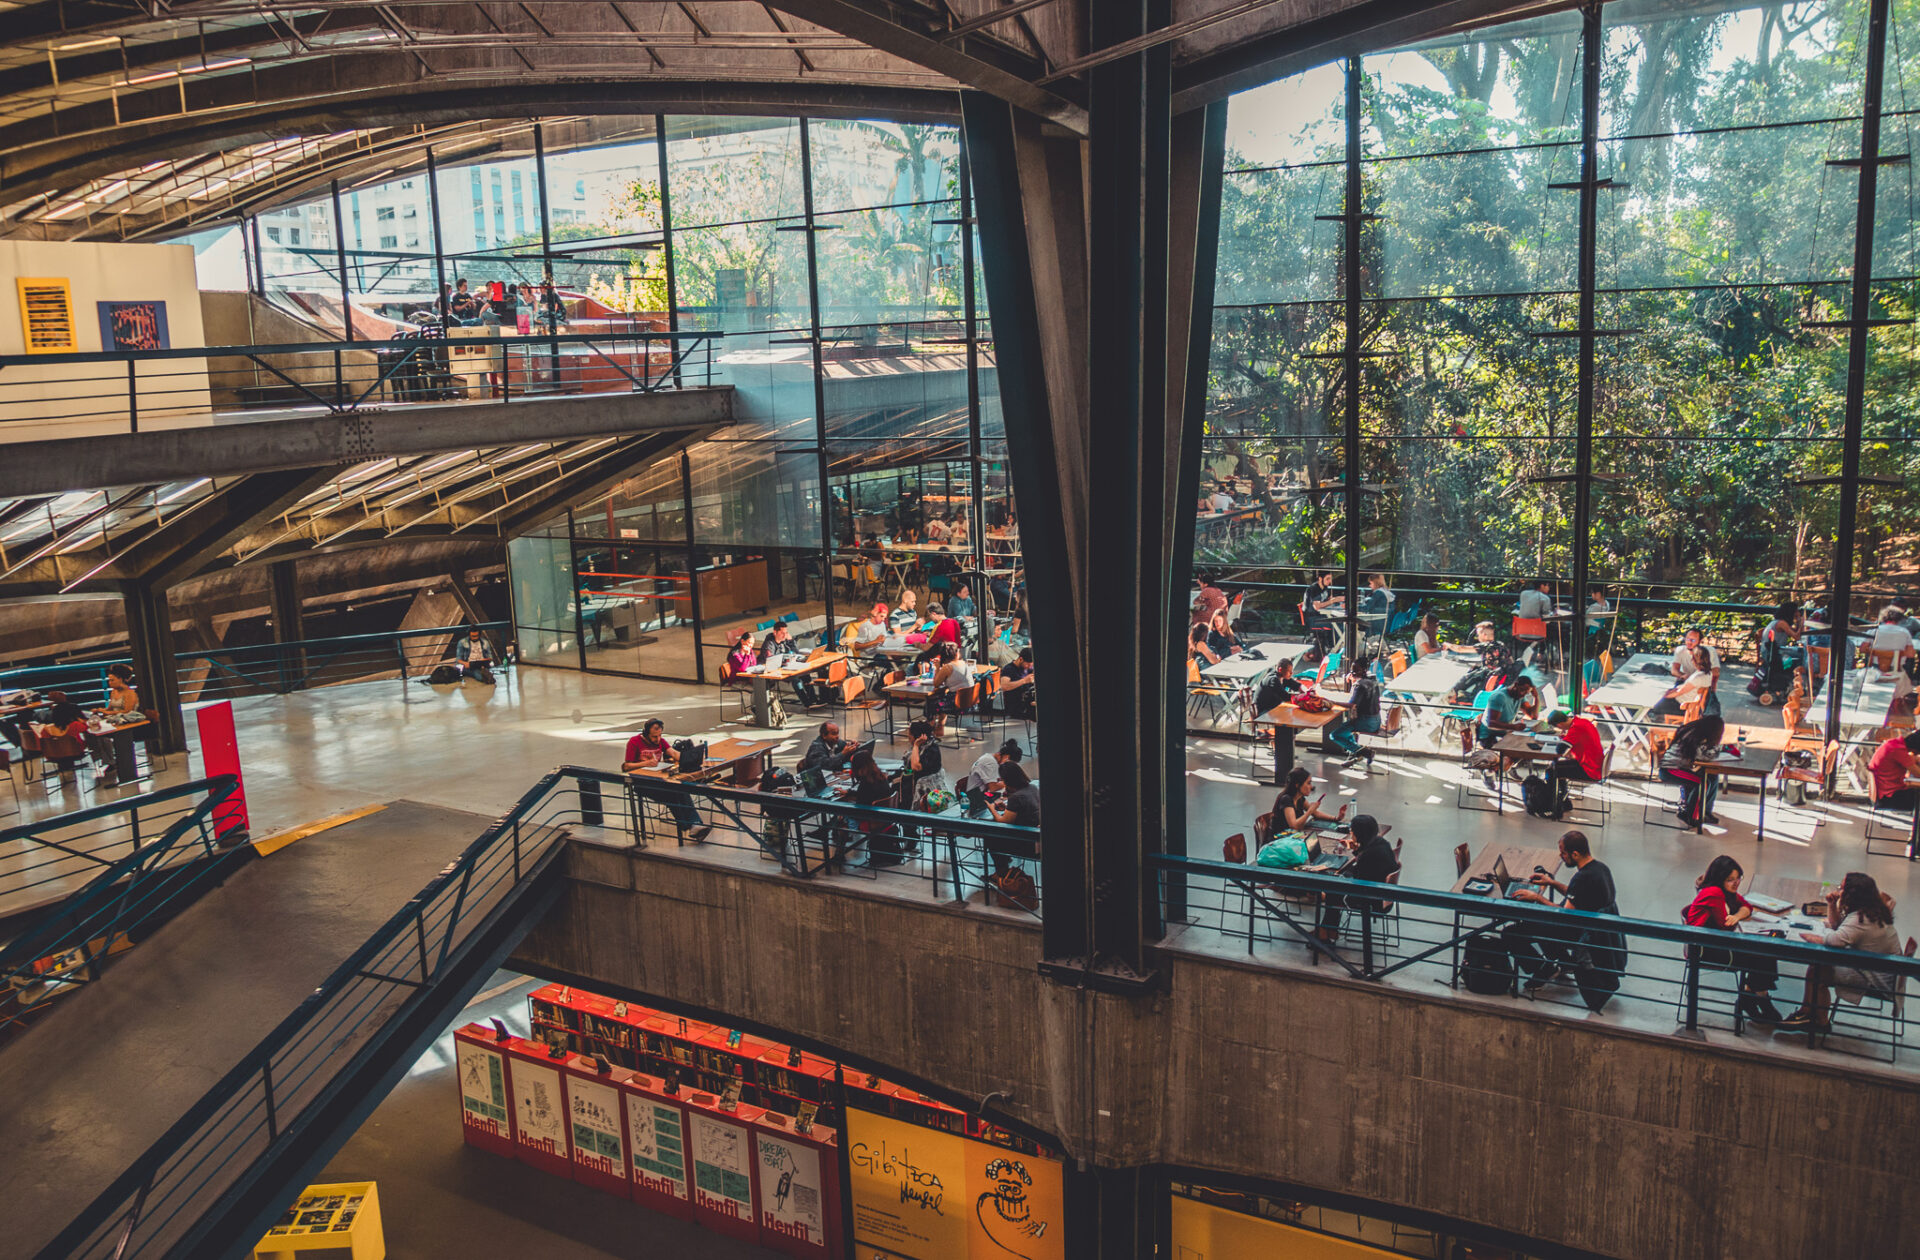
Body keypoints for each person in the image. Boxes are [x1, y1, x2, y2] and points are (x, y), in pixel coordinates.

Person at [1502, 829, 1623, 1005]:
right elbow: (1576, 894)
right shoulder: (1600, 869)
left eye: (1564, 853)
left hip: (1578, 932)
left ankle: (1543, 969)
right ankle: (1564, 962)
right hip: (1591, 928)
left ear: (1575, 854)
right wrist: (1551, 883)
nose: (1561, 856)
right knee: (1537, 920)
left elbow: (1564, 914)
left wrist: (1537, 898)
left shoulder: (1582, 878)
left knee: (1511, 933)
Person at [1781, 872, 1902, 1033]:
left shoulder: (1861, 919)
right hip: (1881, 970)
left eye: (1842, 888)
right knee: (1818, 966)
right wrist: (1832, 905)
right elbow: (1839, 926)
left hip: (1876, 979)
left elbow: (1835, 940)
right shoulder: (1872, 910)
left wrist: (1811, 937)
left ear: (1852, 894)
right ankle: (1808, 1013)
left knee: (1818, 970)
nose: (1839, 891)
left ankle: (1818, 1021)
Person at [1682, 855, 1783, 1025]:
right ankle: (1757, 998)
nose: (1736, 883)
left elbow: (1747, 906)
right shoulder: (1714, 893)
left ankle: (1751, 996)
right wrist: (1736, 917)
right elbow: (1725, 926)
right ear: (1719, 879)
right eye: (1730, 880)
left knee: (1764, 951)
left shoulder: (1724, 891)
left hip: (1715, 942)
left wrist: (1736, 916)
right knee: (1764, 953)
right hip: (1706, 949)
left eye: (1738, 878)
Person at [1311, 813, 1397, 942]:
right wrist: (1357, 850)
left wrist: (1340, 876)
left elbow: (1358, 881)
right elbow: (1363, 871)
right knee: (1337, 882)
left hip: (1371, 900)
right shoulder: (1381, 843)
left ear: (1358, 834)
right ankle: (1330, 930)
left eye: (1352, 831)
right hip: (1382, 893)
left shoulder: (1369, 855)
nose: (1351, 833)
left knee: (1333, 890)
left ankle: (1325, 932)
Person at [622, 718, 709, 839]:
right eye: (654, 737)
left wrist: (691, 757)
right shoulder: (634, 742)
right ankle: (692, 825)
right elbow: (626, 766)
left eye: (660, 736)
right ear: (646, 734)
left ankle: (694, 825)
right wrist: (645, 763)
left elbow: (674, 754)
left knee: (680, 789)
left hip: (658, 779)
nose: (658, 739)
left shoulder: (661, 741)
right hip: (642, 783)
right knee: (672, 794)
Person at [1659, 713, 1727, 827]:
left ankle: (1705, 812)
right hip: (1670, 769)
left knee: (1712, 776)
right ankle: (1689, 815)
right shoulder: (1694, 736)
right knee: (1701, 783)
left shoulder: (1696, 732)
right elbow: (1703, 756)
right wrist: (1718, 750)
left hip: (1679, 768)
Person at [1323, 653, 1382, 768]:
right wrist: (1353, 681)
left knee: (1335, 735)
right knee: (1347, 730)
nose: (1352, 673)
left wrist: (1332, 702)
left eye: (1355, 671)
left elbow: (1351, 704)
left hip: (1366, 722)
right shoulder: (1373, 680)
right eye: (1352, 670)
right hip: (1376, 721)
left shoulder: (1360, 685)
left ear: (1364, 670)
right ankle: (1356, 752)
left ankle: (1364, 752)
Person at [1542, 709, 1604, 800]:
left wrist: (1564, 740)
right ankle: (1562, 795)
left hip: (1590, 769)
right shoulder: (1582, 721)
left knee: (1551, 771)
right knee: (1554, 766)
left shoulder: (1576, 728)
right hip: (1596, 764)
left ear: (1559, 725)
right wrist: (1566, 737)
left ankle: (1552, 801)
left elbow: (1560, 749)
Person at [1866, 604, 1916, 698]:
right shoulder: (1904, 632)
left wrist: (1876, 652)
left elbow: (1862, 649)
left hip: (1874, 670)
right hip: (1895, 672)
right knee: (1907, 682)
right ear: (1899, 619)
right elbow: (1911, 654)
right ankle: (1897, 700)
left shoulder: (1874, 631)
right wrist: (1898, 654)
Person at [1275, 766, 1346, 832]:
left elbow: (1316, 814)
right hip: (1280, 837)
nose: (1311, 787)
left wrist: (1336, 818)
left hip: (1294, 835)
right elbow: (1293, 826)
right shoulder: (1286, 799)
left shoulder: (1300, 798)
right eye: (1308, 783)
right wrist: (1310, 811)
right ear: (1297, 785)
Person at [1477, 675, 1535, 749]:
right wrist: (1513, 727)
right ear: (1516, 685)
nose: (1523, 694)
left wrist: (1536, 697)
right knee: (1517, 749)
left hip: (1504, 733)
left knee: (1526, 744)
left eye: (1526, 693)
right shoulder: (1499, 697)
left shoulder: (1519, 696)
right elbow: (1491, 723)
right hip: (1489, 736)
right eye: (1522, 690)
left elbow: (1533, 716)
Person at [1869, 731, 1920, 813]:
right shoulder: (1899, 751)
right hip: (1889, 798)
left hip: (1882, 794)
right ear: (1915, 749)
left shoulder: (1894, 743)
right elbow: (1917, 773)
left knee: (1915, 788)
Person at [1302, 571, 1343, 654]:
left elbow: (1326, 602)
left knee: (1340, 621)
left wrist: (1337, 602)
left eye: (1330, 579)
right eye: (1327, 579)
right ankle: (1335, 648)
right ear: (1320, 579)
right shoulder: (1313, 589)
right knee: (1336, 624)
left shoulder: (1325, 588)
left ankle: (1337, 646)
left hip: (1321, 617)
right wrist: (1333, 601)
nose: (1330, 581)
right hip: (1313, 619)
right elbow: (1317, 606)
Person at [904, 720, 945, 799]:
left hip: (926, 790)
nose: (908, 736)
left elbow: (916, 767)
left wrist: (916, 745)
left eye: (910, 734)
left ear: (917, 737)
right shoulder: (923, 746)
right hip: (914, 781)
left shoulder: (932, 750)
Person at [998, 647, 1036, 718]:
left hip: (1027, 701)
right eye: (1028, 664)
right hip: (1016, 707)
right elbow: (1004, 686)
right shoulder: (1008, 669)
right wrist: (1024, 681)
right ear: (1021, 659)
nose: (1029, 667)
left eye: (1031, 665)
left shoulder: (1029, 668)